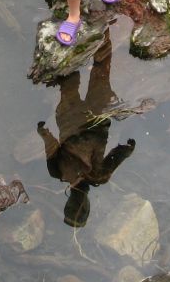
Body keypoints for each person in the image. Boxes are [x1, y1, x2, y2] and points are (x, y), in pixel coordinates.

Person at [37, 33, 136, 227]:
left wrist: (45, 134)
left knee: (70, 79)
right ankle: (101, 33)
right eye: (80, 209)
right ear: (88, 206)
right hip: (95, 118)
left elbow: (51, 149)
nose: (77, 205)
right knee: (99, 75)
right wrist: (127, 150)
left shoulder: (58, 173)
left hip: (71, 119)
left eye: (72, 209)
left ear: (66, 205)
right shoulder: (97, 176)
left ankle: (79, 37)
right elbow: (117, 156)